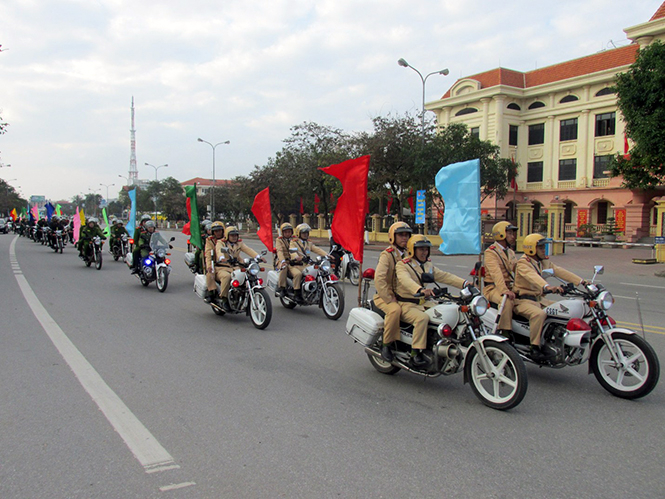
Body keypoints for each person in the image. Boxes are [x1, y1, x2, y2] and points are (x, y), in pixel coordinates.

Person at [395, 235, 470, 367]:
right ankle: (415, 354)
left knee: (447, 311)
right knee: (421, 319)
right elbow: (405, 280)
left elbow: (445, 276)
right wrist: (420, 289)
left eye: (426, 249)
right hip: (407, 304)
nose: (424, 252)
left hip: (424, 302)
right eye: (421, 249)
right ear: (413, 250)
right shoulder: (403, 265)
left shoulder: (427, 264)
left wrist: (464, 283)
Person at [513, 234, 586, 361]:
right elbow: (532, 277)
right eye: (540, 247)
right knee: (539, 315)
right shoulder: (523, 263)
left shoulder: (544, 262)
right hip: (523, 301)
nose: (543, 250)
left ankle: (554, 341)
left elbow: (559, 271)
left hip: (539, 300)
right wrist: (547, 286)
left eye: (544, 247)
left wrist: (582, 282)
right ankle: (534, 348)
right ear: (531, 249)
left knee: (564, 310)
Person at [373, 221, 413, 362]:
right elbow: (379, 279)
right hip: (386, 296)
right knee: (395, 310)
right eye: (401, 235)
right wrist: (389, 298)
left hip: (406, 296)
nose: (404, 238)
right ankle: (386, 345)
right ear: (393, 237)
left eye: (407, 235)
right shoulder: (387, 255)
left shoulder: (411, 254)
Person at [483, 221, 519, 336]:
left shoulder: (510, 252)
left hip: (509, 286)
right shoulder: (491, 252)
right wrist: (504, 290)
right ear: (501, 234)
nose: (513, 236)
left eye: (512, 233)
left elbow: (518, 270)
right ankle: (505, 332)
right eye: (509, 233)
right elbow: (496, 274)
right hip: (493, 288)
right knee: (506, 301)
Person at [215, 226, 263, 310]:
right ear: (227, 236)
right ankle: (224, 299)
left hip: (235, 267)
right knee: (227, 277)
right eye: (232, 235)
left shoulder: (239, 243)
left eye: (235, 235)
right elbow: (219, 251)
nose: (234, 237)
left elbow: (248, 249)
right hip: (222, 267)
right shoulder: (221, 243)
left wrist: (258, 256)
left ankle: (241, 295)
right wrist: (221, 258)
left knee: (246, 275)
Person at [289, 223, 327, 304]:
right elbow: (292, 250)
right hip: (296, 265)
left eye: (307, 233)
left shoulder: (308, 243)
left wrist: (327, 255)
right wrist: (296, 256)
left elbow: (317, 249)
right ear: (299, 233)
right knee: (298, 274)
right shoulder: (294, 242)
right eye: (303, 233)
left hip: (306, 264)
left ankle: (313, 289)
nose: (306, 235)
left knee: (318, 271)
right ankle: (296, 293)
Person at [203, 221, 226, 303]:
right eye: (216, 231)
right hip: (215, 263)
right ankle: (211, 292)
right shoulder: (210, 240)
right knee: (210, 273)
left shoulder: (227, 238)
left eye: (219, 230)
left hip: (228, 263)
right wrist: (209, 265)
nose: (218, 233)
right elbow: (208, 254)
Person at [275, 222, 295, 297]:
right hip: (283, 261)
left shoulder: (295, 239)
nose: (287, 233)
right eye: (285, 232)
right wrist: (282, 261)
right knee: (284, 268)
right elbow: (279, 251)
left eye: (289, 232)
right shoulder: (279, 240)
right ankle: (281, 288)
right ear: (283, 233)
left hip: (294, 261)